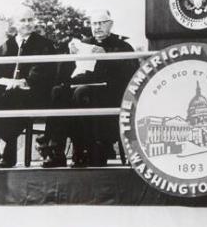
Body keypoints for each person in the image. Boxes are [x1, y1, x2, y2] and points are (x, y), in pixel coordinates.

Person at [42, 9, 138, 167]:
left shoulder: (122, 45)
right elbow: (64, 74)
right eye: (94, 23)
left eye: (101, 23)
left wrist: (106, 56)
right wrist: (70, 56)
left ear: (110, 24)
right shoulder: (84, 44)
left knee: (81, 93)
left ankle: (87, 149)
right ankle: (55, 151)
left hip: (109, 94)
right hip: (79, 88)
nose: (98, 27)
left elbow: (129, 75)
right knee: (58, 92)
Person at [0, 6, 56, 168]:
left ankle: (10, 151)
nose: (27, 24)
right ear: (14, 24)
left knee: (11, 99)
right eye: (23, 20)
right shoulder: (6, 46)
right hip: (5, 92)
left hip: (33, 94)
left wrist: (24, 82)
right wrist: (3, 83)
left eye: (30, 20)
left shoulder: (44, 45)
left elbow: (44, 73)